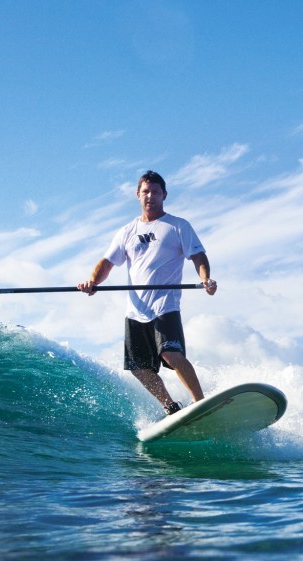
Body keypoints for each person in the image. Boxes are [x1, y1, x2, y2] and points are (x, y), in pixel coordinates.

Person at [78, 170, 217, 415]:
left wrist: (205, 279)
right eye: (145, 192)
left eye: (155, 192)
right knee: (139, 368)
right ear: (137, 195)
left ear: (164, 195)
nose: (150, 196)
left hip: (165, 306)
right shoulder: (127, 231)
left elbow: (198, 256)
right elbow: (108, 262)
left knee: (170, 354)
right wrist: (92, 282)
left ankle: (201, 404)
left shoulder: (178, 226)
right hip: (135, 310)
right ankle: (171, 407)